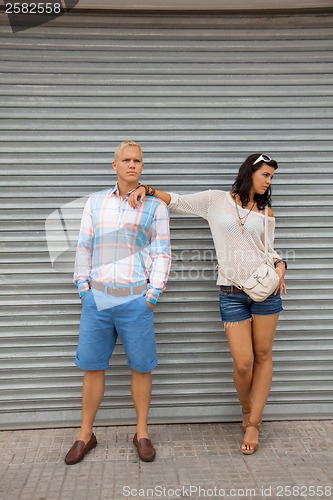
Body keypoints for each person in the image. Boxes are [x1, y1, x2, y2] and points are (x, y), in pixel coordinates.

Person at [129, 153, 287, 455]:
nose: (269, 182)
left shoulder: (267, 212)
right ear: (250, 172)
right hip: (231, 292)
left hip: (266, 292)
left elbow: (269, 250)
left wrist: (281, 266)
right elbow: (177, 201)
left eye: (272, 178)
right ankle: (246, 407)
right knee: (243, 363)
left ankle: (253, 423)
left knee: (263, 354)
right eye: (265, 175)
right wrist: (147, 189)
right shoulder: (216, 200)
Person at [64, 140, 171, 465]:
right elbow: (84, 246)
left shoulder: (155, 207)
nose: (132, 165)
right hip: (97, 300)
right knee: (92, 367)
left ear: (142, 166)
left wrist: (151, 297)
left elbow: (162, 253)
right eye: (126, 159)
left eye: (137, 160)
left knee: (141, 367)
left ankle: (141, 432)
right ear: (115, 165)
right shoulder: (96, 203)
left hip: (136, 299)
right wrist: (84, 289)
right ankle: (86, 434)